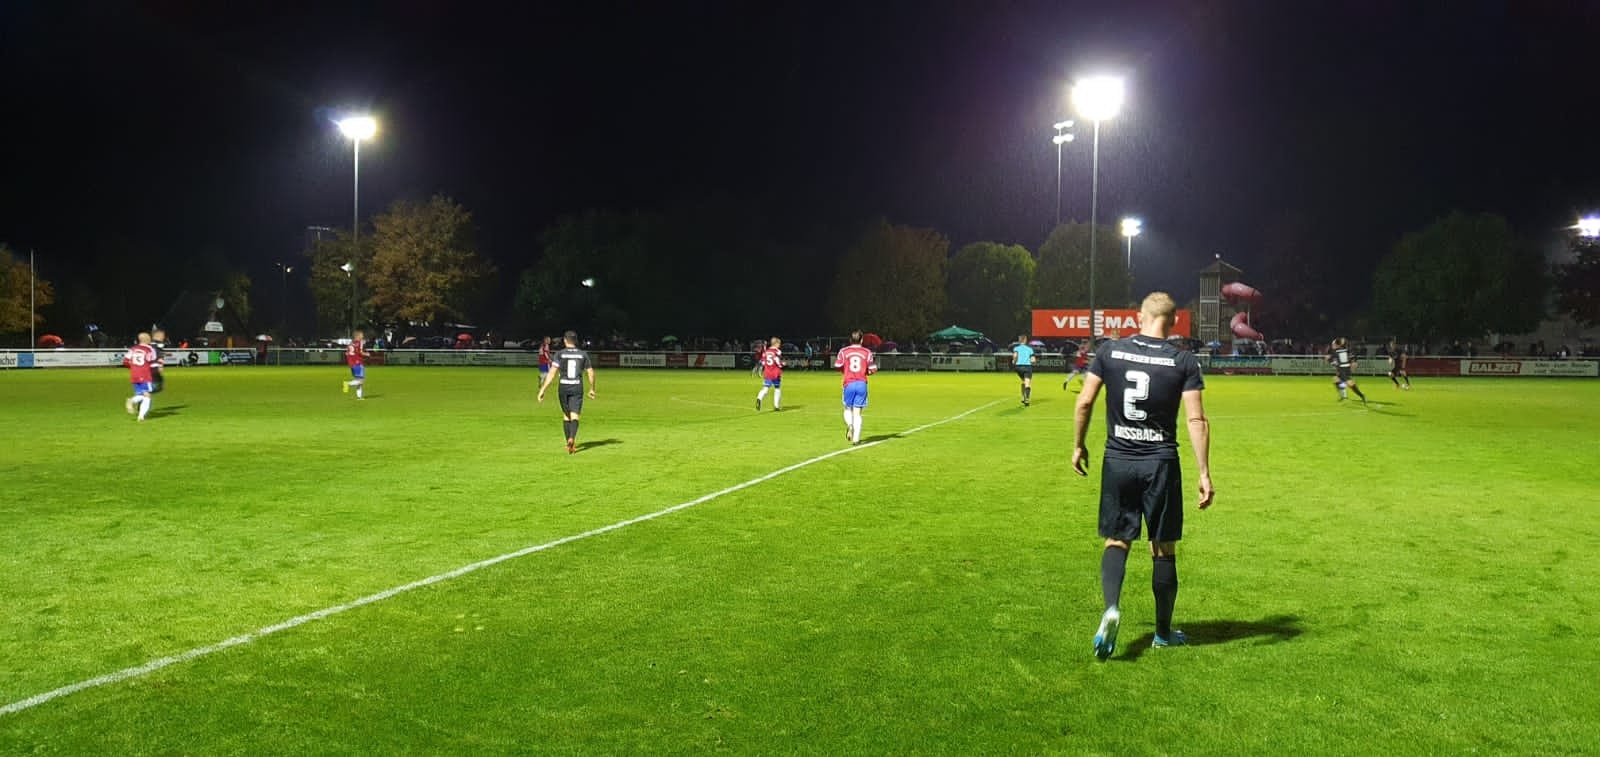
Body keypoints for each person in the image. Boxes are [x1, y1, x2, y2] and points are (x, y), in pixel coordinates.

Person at [1072, 292, 1214, 659]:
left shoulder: (1109, 351)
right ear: (1174, 322)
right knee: (1162, 547)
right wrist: (1203, 473)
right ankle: (1163, 634)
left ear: (1139, 317)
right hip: (1161, 463)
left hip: (1118, 460)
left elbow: (1084, 401)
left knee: (1117, 539)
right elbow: (1196, 419)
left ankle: (1111, 608)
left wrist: (1079, 445)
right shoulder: (1184, 361)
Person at [537, 330, 597, 454]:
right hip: (577, 387)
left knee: (566, 415)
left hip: (563, 387)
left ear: (565, 340)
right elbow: (590, 372)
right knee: (575, 415)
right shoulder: (583, 354)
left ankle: (568, 443)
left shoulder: (560, 354)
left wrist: (543, 389)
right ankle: (572, 438)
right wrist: (592, 388)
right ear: (575, 341)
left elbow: (552, 373)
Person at [834, 330, 877, 445]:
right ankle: (856, 439)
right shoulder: (867, 352)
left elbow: (837, 365)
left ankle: (850, 425)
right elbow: (873, 369)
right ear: (861, 340)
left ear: (850, 340)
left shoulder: (844, 351)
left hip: (849, 383)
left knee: (847, 408)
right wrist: (865, 372)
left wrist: (845, 370)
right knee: (857, 413)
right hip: (862, 383)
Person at [122, 332, 162, 422]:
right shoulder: (150, 349)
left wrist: (134, 367)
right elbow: (153, 363)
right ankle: (134, 405)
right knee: (147, 395)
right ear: (148, 340)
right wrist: (157, 370)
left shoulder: (133, 349)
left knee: (142, 394)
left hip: (134, 375)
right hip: (145, 374)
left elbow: (125, 361)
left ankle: (140, 416)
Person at [1328, 337, 1366, 404]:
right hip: (1343, 369)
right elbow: (1351, 358)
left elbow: (1332, 360)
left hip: (1343, 369)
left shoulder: (1337, 351)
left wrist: (1330, 361)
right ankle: (1343, 396)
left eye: (1333, 344)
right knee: (1336, 380)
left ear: (1337, 345)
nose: (1332, 346)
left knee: (1350, 384)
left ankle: (1361, 395)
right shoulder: (1344, 350)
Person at [756, 336, 785, 411]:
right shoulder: (777, 351)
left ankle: (759, 398)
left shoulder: (766, 352)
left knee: (765, 389)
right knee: (777, 388)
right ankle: (776, 406)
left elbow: (763, 362)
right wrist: (782, 364)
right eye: (779, 344)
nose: (779, 345)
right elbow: (777, 361)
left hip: (767, 373)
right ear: (776, 343)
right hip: (775, 373)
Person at [342, 330, 370, 399]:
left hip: (351, 364)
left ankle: (359, 397)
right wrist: (366, 354)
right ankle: (347, 383)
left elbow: (347, 353)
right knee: (361, 381)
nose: (363, 336)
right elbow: (360, 352)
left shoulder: (350, 343)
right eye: (361, 335)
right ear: (357, 336)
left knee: (358, 380)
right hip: (358, 363)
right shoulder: (360, 342)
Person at [1011, 335, 1036, 406]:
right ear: (1025, 340)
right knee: (1027, 383)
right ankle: (1027, 399)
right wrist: (1032, 361)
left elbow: (1015, 356)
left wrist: (1014, 361)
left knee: (1023, 381)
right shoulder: (1029, 349)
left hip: (1018, 368)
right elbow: (1033, 360)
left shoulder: (1016, 348)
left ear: (1019, 340)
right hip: (1027, 367)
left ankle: (1023, 397)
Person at [149, 328, 168, 394]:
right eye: (162, 335)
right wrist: (160, 365)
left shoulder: (149, 343)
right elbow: (160, 355)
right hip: (154, 366)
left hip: (147, 365)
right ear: (156, 335)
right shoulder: (159, 344)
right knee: (158, 380)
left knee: (155, 379)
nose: (163, 337)